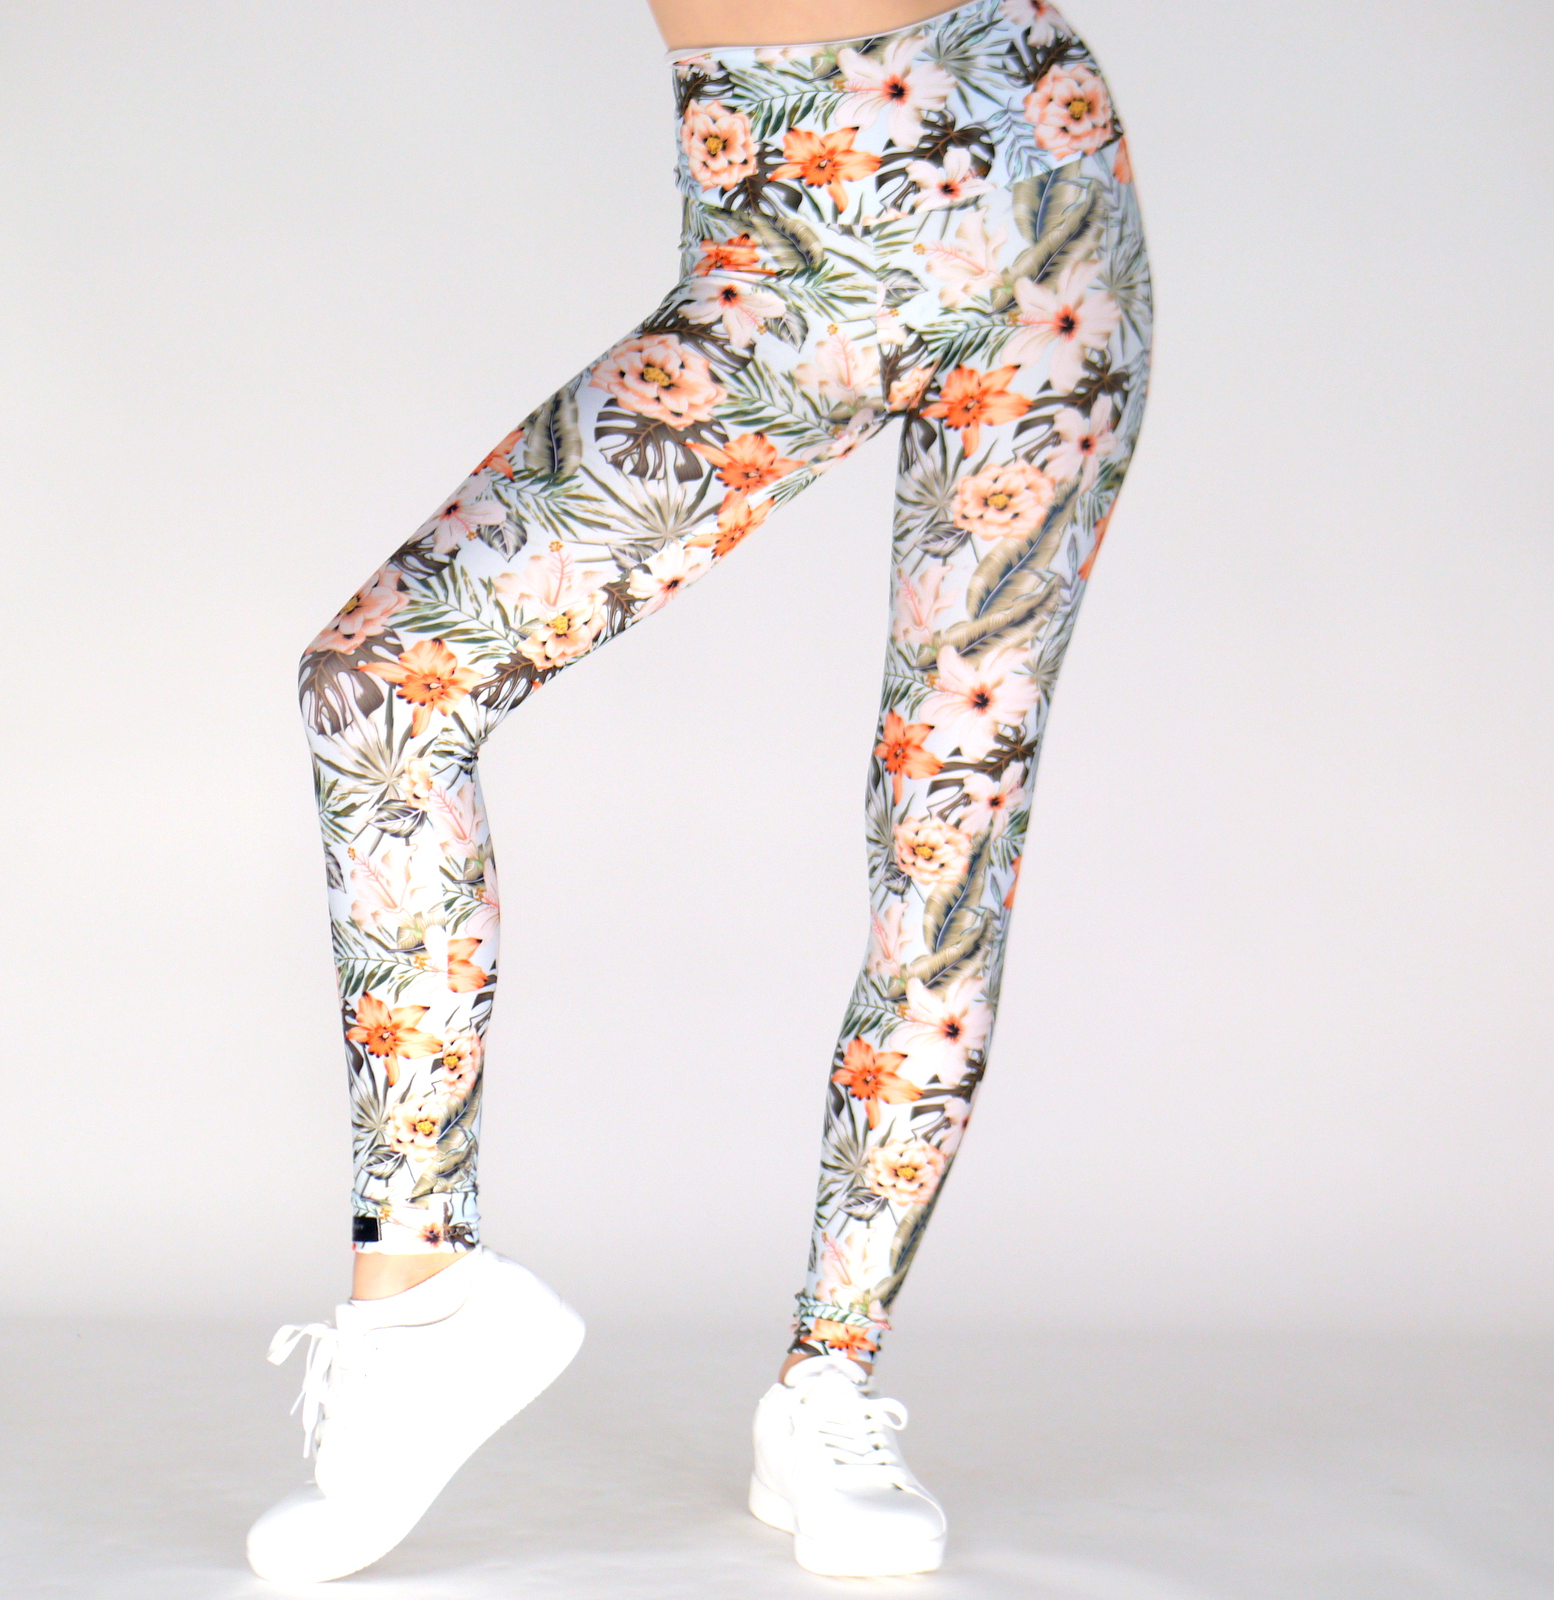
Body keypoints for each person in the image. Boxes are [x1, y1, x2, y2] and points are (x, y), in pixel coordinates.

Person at [247, 0, 1152, 1581]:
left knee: (944, 830)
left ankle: (828, 1387)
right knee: (381, 685)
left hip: (1034, 202)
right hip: (774, 252)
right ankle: (422, 1299)